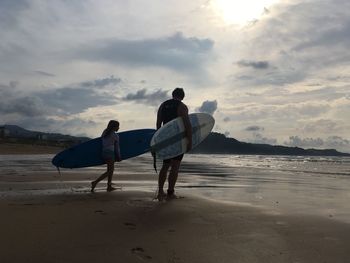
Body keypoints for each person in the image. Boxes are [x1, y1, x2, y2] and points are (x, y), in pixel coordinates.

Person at [156, 88, 192, 201]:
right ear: (182, 96)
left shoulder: (163, 105)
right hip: (177, 141)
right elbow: (187, 125)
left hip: (166, 140)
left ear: (173, 95)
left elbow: (158, 124)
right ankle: (170, 193)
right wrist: (189, 141)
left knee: (165, 166)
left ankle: (160, 192)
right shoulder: (182, 107)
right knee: (175, 166)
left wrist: (160, 140)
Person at [91, 120, 121, 192]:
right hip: (110, 154)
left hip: (104, 152)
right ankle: (95, 182)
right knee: (110, 171)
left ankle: (109, 186)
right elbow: (117, 148)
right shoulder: (115, 136)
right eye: (118, 126)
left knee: (110, 170)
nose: (119, 128)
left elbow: (100, 142)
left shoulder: (105, 132)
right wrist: (119, 156)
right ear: (114, 127)